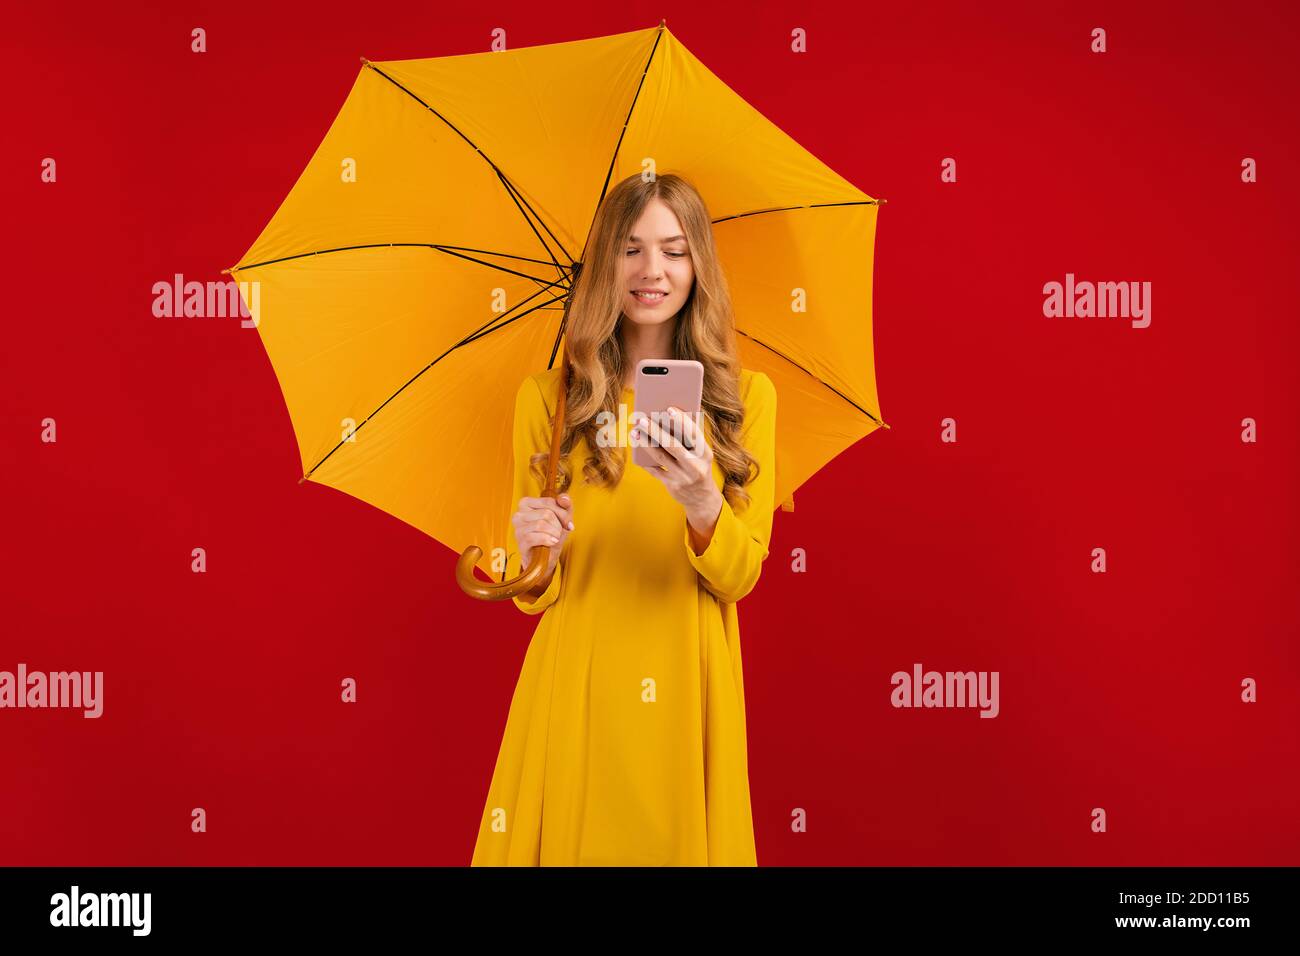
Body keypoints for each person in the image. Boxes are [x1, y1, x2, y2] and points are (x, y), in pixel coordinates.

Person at [471, 172, 778, 866]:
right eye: (631, 249)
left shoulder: (744, 401)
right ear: (604, 261)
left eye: (674, 250)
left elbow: (741, 577)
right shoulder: (548, 402)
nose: (652, 271)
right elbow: (535, 595)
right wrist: (534, 550)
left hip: (685, 678)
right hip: (576, 679)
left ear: (699, 264)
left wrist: (703, 503)